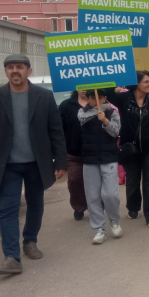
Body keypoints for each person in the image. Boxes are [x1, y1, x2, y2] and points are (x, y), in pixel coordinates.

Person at [0, 54, 67, 275]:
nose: (15, 70)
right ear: (5, 72)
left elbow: (56, 131)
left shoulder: (44, 96)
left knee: (35, 204)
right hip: (7, 165)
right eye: (10, 67)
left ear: (29, 71)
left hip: (37, 163)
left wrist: (60, 161)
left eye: (19, 67)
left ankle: (30, 241)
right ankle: (11, 257)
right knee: (8, 209)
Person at [108, 71, 149, 228]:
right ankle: (133, 207)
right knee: (133, 180)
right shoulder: (123, 99)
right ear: (136, 84)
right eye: (146, 82)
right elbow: (107, 92)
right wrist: (117, 75)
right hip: (130, 148)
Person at [78, 89, 123, 244]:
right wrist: (98, 113)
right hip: (89, 159)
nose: (96, 100)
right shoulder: (82, 112)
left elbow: (116, 132)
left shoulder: (112, 112)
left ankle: (114, 220)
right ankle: (99, 229)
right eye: (92, 97)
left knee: (110, 194)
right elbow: (81, 121)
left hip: (109, 157)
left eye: (100, 97)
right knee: (93, 196)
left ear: (105, 98)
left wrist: (105, 121)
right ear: (88, 98)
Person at [58, 90, 89, 220]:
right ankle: (79, 206)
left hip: (94, 153)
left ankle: (96, 206)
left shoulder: (98, 103)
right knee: (74, 180)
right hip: (73, 153)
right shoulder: (66, 105)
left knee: (95, 182)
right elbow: (58, 129)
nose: (83, 89)